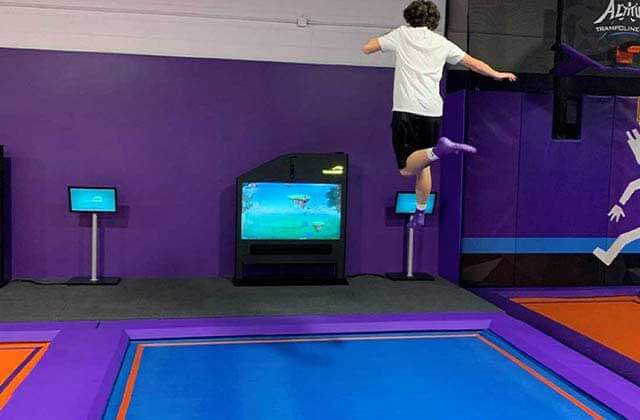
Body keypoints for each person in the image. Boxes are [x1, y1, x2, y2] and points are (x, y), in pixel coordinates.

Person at [362, 0, 517, 228]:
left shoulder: (402, 34)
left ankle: (439, 150)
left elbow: (367, 48)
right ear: (434, 21)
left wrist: (377, 41)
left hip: (407, 109)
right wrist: (497, 74)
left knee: (406, 169)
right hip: (433, 112)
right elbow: (473, 63)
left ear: (409, 17)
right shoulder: (442, 43)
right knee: (423, 165)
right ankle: (421, 211)